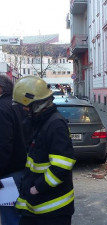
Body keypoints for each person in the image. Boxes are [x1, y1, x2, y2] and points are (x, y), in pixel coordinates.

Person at [12, 76, 76, 225]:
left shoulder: (55, 125)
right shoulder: (40, 122)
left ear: (38, 104)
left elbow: (62, 165)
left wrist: (37, 188)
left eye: (26, 105)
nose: (24, 109)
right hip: (38, 206)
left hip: (52, 209)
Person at [0, 75, 27, 225]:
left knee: (9, 216)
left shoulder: (1, 108)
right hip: (22, 168)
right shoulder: (18, 105)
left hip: (6, 176)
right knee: (20, 214)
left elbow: (3, 144)